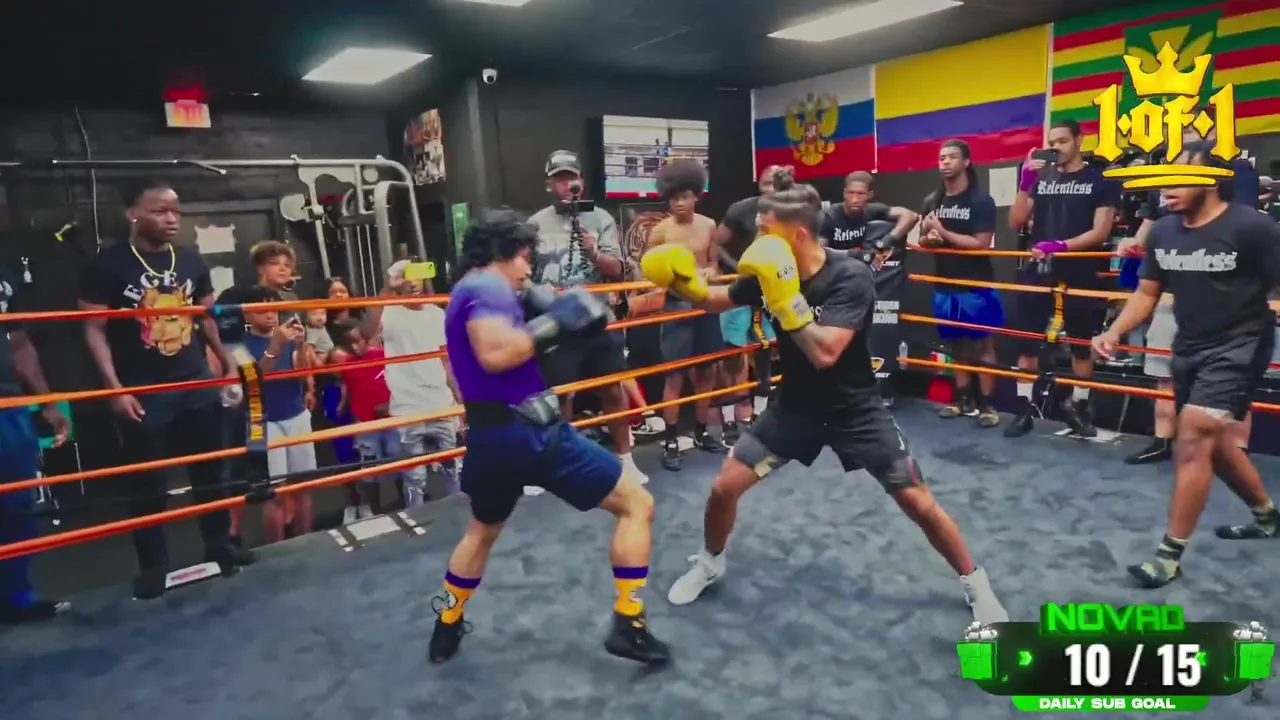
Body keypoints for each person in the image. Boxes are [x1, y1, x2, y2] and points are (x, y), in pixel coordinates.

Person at [641, 172, 1008, 624]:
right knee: (722, 489)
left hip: (854, 407)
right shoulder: (771, 268)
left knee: (917, 501)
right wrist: (684, 285)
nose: (757, 237)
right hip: (795, 406)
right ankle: (710, 561)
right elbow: (720, 300)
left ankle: (976, 583)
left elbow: (827, 352)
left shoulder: (849, 276)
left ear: (796, 233)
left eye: (765, 229)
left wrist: (785, 300)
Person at [428, 208, 668, 665]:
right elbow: (496, 354)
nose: (527, 269)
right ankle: (629, 622)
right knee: (637, 504)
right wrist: (558, 322)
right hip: (531, 434)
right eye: (524, 258)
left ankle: (448, 621)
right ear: (504, 251)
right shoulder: (489, 287)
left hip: (490, 436)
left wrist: (551, 317)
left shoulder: (468, 290)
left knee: (481, 531)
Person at [1093, 144, 1280, 589]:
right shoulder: (1163, 232)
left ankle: (1169, 555)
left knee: (1193, 435)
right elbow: (1147, 293)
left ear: (1211, 180)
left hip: (1241, 346)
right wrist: (1115, 331)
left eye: (1178, 178)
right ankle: (1267, 515)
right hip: (1190, 346)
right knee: (1214, 444)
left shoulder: (1253, 227)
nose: (1166, 188)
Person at [79, 181, 256, 600]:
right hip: (144, 388)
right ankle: (154, 565)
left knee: (211, 471)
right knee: (149, 483)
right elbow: (93, 330)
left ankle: (220, 546)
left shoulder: (190, 259)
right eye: (160, 211)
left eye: (175, 211)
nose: (171, 218)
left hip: (195, 381)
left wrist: (226, 362)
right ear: (132, 213)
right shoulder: (109, 264)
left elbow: (206, 316)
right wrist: (115, 389)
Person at [528, 150, 646, 485]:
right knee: (560, 395)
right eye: (560, 178)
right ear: (549, 184)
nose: (567, 184)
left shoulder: (600, 218)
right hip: (556, 322)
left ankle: (625, 461)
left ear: (581, 180)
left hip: (597, 319)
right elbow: (525, 273)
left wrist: (594, 251)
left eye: (572, 177)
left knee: (612, 390)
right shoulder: (535, 223)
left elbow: (618, 270)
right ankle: (560, 465)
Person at [1007, 119, 1120, 438]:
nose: (1055, 147)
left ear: (1079, 141)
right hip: (1039, 268)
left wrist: (1061, 245)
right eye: (1052, 142)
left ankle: (1079, 408)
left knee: (1080, 344)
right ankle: (1024, 409)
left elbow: (1101, 231)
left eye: (1062, 141)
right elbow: (1016, 222)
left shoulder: (1100, 180)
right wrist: (1024, 184)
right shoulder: (1041, 177)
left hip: (1078, 269)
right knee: (1027, 342)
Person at [0, 262, 71, 622]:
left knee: (17, 505)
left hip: (7, 405)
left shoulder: (4, 277)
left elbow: (19, 343)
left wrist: (48, 402)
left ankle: (15, 598)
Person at [916, 140, 1003, 427]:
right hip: (945, 284)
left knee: (983, 344)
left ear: (966, 162)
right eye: (942, 157)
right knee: (955, 344)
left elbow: (980, 244)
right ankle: (963, 399)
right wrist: (931, 238)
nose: (945, 162)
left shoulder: (980, 201)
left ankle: (987, 404)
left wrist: (942, 231)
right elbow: (922, 240)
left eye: (952, 157)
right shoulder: (932, 200)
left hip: (976, 285)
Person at [359, 260, 460, 506]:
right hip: (408, 406)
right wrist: (387, 289)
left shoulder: (436, 313)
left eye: (417, 275)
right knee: (415, 478)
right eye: (406, 276)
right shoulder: (389, 311)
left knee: (453, 468)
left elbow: (445, 359)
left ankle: (459, 515)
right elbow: (366, 333)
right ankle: (417, 521)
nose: (413, 282)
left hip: (441, 402)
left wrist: (460, 399)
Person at [648, 159, 726, 470]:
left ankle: (702, 430)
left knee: (707, 371)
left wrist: (709, 272)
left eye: (684, 196)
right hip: (676, 307)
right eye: (673, 198)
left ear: (696, 195)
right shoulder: (660, 232)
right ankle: (671, 440)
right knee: (674, 375)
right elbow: (649, 272)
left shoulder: (709, 225)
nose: (679, 203)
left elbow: (715, 264)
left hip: (705, 303)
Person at [239, 286, 317, 543]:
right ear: (247, 314)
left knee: (304, 486)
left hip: (296, 413)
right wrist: (275, 346)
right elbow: (252, 382)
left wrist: (301, 344)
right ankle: (278, 551)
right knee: (274, 494)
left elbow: (301, 374)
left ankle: (307, 543)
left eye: (273, 307)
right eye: (262, 308)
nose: (270, 313)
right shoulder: (239, 345)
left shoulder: (287, 337)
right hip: (263, 421)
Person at [715, 166, 785, 440]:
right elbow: (716, 245)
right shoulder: (741, 209)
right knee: (733, 356)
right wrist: (741, 269)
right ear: (759, 184)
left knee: (766, 352)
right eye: (766, 183)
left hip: (772, 287)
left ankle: (760, 417)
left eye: (775, 184)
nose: (770, 189)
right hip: (739, 289)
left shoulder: (790, 211)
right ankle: (729, 421)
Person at [332, 323, 391, 518]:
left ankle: (409, 505)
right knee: (370, 471)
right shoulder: (347, 366)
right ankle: (375, 512)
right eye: (349, 343)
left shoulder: (383, 355)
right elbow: (350, 391)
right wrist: (353, 416)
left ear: (366, 339)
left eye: (357, 341)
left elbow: (400, 381)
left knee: (402, 464)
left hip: (391, 419)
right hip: (366, 424)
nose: (354, 347)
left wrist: (392, 404)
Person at [819, 171, 918, 253]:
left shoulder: (871, 210)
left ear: (870, 194)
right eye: (850, 193)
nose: (854, 199)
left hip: (861, 266)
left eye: (860, 194)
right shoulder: (830, 216)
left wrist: (889, 239)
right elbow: (819, 251)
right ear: (844, 193)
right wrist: (851, 254)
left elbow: (910, 216)